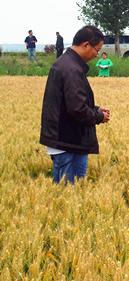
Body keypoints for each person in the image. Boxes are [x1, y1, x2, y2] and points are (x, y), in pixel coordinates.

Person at [39, 25, 111, 184]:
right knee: (69, 197)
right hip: (68, 143)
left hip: (64, 141)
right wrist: (99, 116)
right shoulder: (72, 69)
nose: (96, 54)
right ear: (86, 45)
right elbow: (76, 109)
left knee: (66, 197)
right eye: (96, 50)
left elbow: (69, 102)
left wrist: (95, 108)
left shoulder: (65, 63)